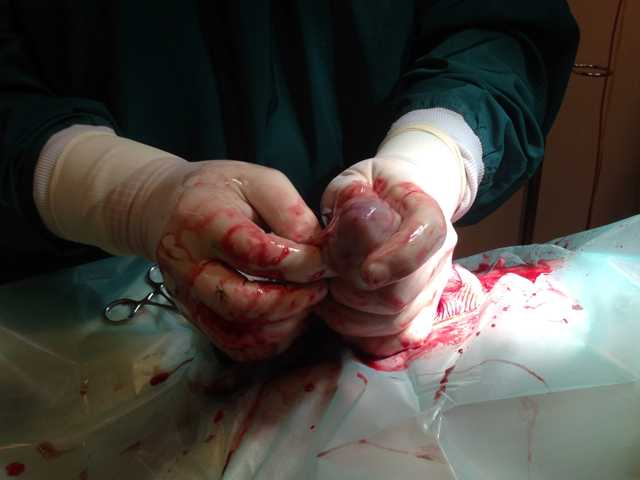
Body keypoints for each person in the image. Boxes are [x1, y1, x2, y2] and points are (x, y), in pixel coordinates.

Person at [0, 1, 578, 360]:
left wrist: (432, 154)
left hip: (357, 349)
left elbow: (501, 27)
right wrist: (125, 194)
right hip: (75, 323)